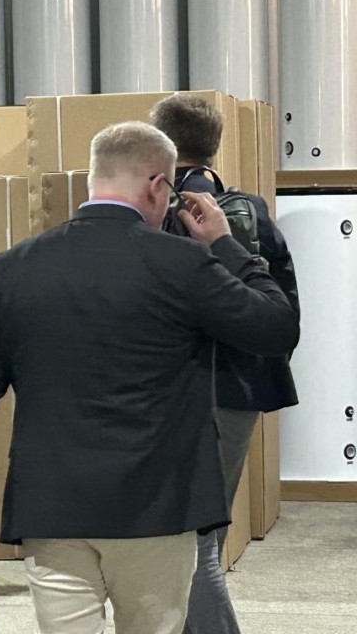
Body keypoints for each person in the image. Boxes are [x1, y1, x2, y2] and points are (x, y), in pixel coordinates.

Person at [0, 121, 299, 634]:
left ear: (94, 179)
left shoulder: (15, 267)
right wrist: (225, 244)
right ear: (158, 185)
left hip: (51, 504)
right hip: (158, 504)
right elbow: (276, 328)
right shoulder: (184, 263)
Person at [150, 94, 300, 634]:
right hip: (239, 389)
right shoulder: (251, 211)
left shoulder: (156, 213)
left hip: (175, 394)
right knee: (204, 538)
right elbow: (284, 305)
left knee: (188, 545)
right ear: (215, 144)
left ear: (162, 144)